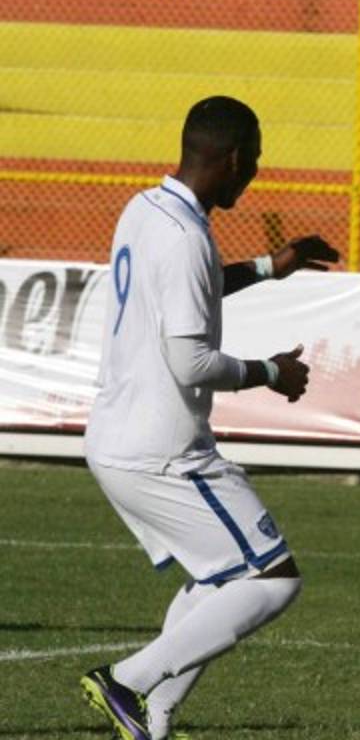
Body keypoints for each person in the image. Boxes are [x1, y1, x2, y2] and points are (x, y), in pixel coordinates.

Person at [79, 95, 339, 740]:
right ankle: (128, 682)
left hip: (119, 436)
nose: (254, 172)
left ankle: (156, 721)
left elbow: (186, 292)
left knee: (218, 575)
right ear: (229, 157)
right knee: (273, 579)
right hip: (162, 449)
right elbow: (190, 361)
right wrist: (272, 373)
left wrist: (265, 269)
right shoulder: (185, 235)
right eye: (252, 159)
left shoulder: (145, 209)